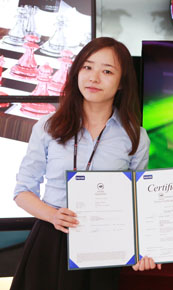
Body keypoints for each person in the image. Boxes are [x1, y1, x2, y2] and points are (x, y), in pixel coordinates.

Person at [11, 37, 161, 290]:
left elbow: (138, 203)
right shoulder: (47, 127)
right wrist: (53, 215)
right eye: (87, 67)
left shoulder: (135, 136)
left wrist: (142, 249)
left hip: (104, 247)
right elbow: (22, 191)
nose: (93, 78)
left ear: (122, 82)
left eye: (107, 71)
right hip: (51, 240)